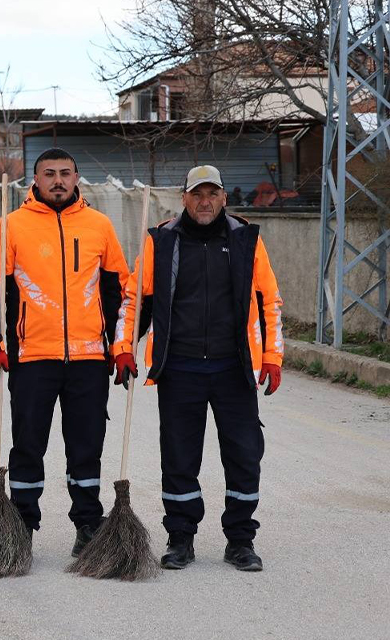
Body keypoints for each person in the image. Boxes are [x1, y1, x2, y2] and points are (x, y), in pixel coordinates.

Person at [113, 164, 283, 572]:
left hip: (233, 367)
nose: (204, 202)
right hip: (180, 368)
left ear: (224, 198)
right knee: (179, 456)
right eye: (197, 194)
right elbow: (135, 300)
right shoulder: (162, 241)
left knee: (244, 454)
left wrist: (273, 357)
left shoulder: (245, 240)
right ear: (184, 198)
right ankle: (181, 538)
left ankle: (240, 540)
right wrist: (123, 347)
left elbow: (269, 301)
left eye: (212, 194)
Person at [0, 147, 132, 556]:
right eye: (49, 174)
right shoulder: (11, 227)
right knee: (28, 444)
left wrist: (121, 346)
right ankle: (22, 524)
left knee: (87, 445)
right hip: (32, 357)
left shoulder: (99, 226)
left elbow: (120, 292)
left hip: (89, 359)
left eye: (65, 173)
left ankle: (87, 525)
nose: (58, 180)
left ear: (77, 178)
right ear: (36, 180)